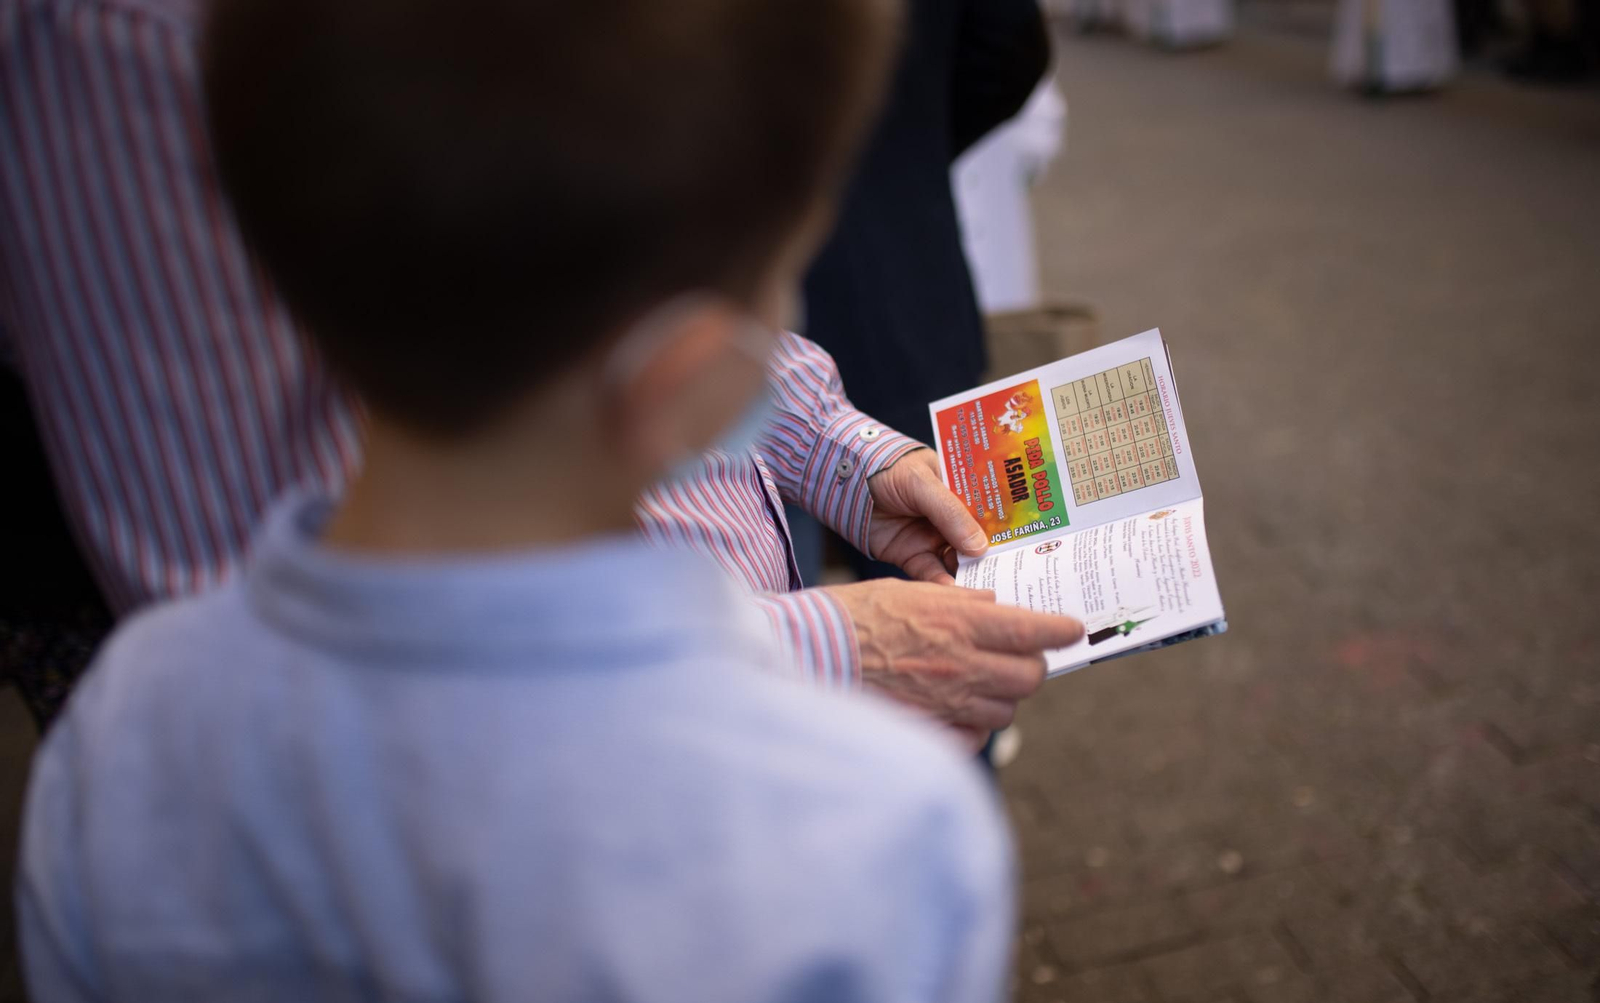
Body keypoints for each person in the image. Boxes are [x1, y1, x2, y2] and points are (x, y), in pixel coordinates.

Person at [20, 0, 1083, 1003]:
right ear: (687, 383)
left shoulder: (122, 733)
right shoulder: (874, 826)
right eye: (776, 292)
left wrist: (848, 454)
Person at [0, 0, 1076, 747]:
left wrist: (838, 452)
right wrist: (822, 648)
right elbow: (235, 609)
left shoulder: (103, 783)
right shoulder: (120, 41)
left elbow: (648, 263)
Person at [796, 0, 1050, 582]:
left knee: (950, 566)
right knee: (959, 594)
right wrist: (911, 152)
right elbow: (1007, 43)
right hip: (901, 290)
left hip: (857, 307)